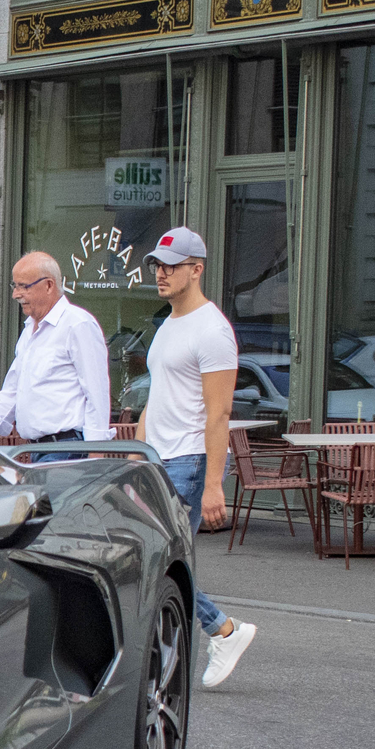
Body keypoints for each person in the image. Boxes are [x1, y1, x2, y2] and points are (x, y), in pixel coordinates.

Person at [141, 227, 258, 689]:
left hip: (189, 463)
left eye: (171, 265)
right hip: (159, 460)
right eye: (158, 265)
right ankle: (216, 633)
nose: (161, 273)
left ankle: (218, 631)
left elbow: (220, 412)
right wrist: (140, 450)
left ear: (197, 269)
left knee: (158, 564)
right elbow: (158, 394)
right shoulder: (168, 324)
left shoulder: (212, 330)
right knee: (159, 564)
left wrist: (214, 483)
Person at [0, 253, 111, 450]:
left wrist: (95, 452)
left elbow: (97, 392)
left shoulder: (77, 324)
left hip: (68, 447)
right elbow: (13, 391)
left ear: (49, 285)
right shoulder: (30, 329)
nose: (16, 294)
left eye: (24, 286)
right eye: (15, 286)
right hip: (37, 448)